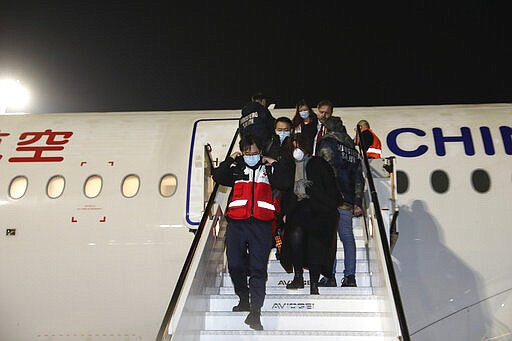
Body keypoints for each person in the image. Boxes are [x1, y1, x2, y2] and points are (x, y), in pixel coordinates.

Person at [211, 134, 292, 331]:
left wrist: (274, 163)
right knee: (236, 264)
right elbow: (217, 176)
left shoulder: (268, 170)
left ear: (261, 151)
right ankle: (243, 298)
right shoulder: (236, 169)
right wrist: (231, 159)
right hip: (237, 224)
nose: (250, 155)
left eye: (254, 152)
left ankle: (255, 312)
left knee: (258, 269)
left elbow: (286, 181)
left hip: (261, 225)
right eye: (247, 152)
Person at [280, 133, 342, 295]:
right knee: (295, 238)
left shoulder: (318, 163)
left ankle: (313, 284)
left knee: (315, 245)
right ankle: (298, 276)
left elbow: (331, 191)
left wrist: (310, 189)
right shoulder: (289, 167)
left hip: (320, 211)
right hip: (299, 211)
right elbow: (286, 190)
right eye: (293, 147)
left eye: (298, 146)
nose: (296, 150)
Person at [317, 116, 364, 287]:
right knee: (347, 237)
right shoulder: (353, 149)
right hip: (348, 200)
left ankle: (330, 276)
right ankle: (350, 277)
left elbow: (322, 170)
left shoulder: (327, 143)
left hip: (331, 199)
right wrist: (358, 201)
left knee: (329, 239)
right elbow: (359, 177)